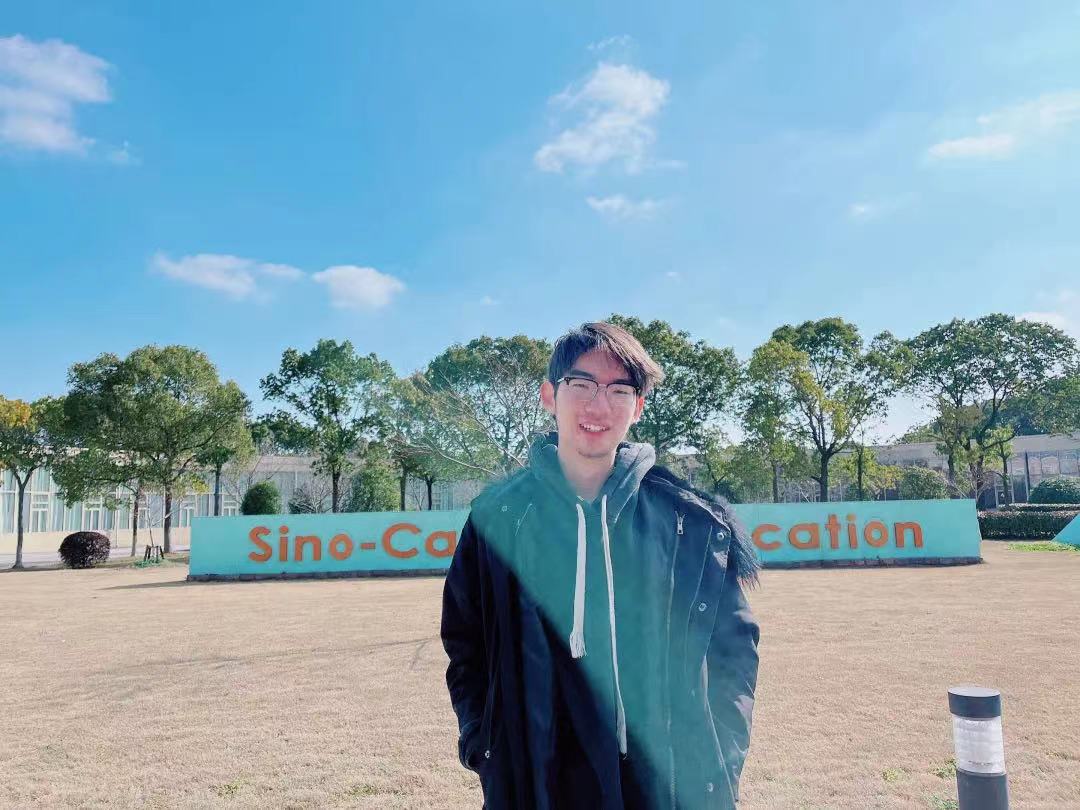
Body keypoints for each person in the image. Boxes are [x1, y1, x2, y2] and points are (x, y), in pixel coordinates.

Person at [441, 321, 760, 809]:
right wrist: (485, 745)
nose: (599, 405)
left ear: (638, 406)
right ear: (550, 395)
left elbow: (733, 654)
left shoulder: (690, 523)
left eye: (619, 390)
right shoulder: (499, 518)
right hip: (537, 781)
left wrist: (721, 762)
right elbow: (466, 644)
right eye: (581, 384)